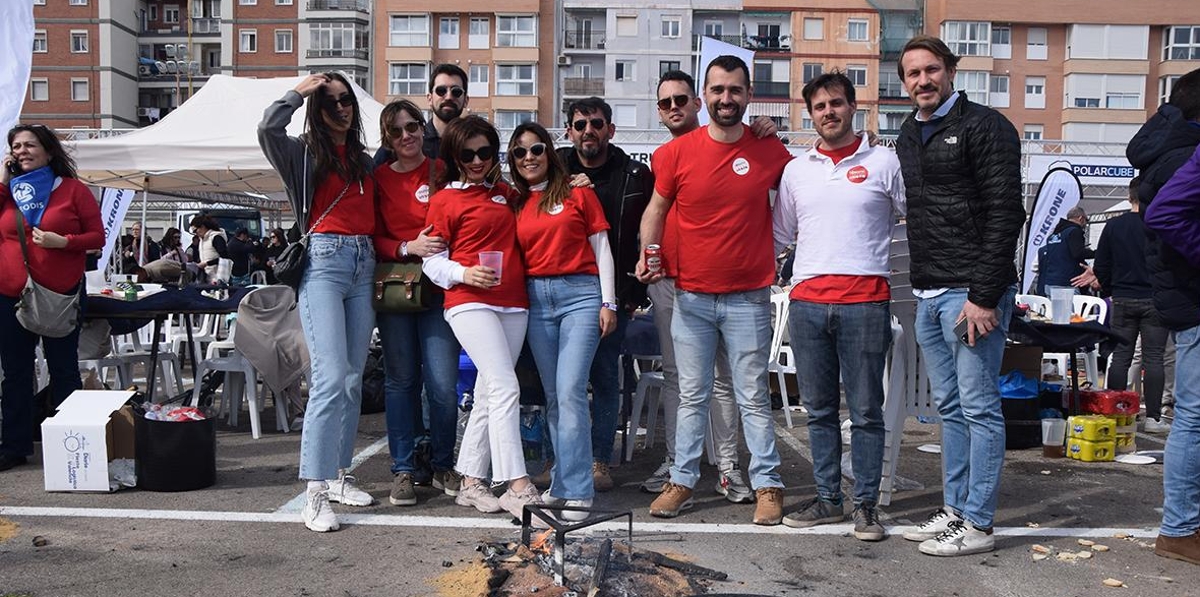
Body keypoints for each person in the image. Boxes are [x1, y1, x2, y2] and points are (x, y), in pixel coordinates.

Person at [635, 55, 791, 525]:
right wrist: (649, 253)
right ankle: (681, 480)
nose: (728, 99)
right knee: (691, 395)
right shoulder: (678, 153)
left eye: (736, 90)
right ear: (707, 96)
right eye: (719, 90)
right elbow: (655, 212)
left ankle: (768, 485)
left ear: (748, 95)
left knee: (752, 397)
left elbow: (804, 197)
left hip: (748, 297)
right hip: (692, 297)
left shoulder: (770, 150)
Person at [893, 35, 1025, 556]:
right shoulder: (908, 132)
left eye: (931, 70)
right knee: (949, 408)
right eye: (912, 74)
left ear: (950, 70)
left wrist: (985, 295)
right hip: (928, 293)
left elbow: (1004, 213)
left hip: (970, 295)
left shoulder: (986, 126)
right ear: (903, 82)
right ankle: (955, 511)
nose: (922, 81)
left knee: (979, 408)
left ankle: (979, 524)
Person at [773, 71, 907, 541]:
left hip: (866, 303)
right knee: (820, 410)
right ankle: (829, 499)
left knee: (867, 411)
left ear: (854, 107)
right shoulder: (796, 169)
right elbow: (783, 236)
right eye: (819, 106)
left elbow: (911, 222)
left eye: (836, 103)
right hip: (808, 305)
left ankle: (866, 507)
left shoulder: (886, 162)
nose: (828, 112)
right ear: (810, 114)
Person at [258, 72, 378, 532]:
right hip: (324, 261)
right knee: (329, 377)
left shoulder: (365, 161)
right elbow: (267, 129)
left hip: (364, 263)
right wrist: (299, 93)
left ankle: (341, 474)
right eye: (331, 104)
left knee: (350, 378)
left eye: (346, 101)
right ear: (317, 109)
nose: (342, 109)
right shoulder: (303, 154)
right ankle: (315, 490)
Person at [421, 116, 544, 520]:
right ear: (454, 156)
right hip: (468, 300)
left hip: (514, 301)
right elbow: (432, 263)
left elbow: (545, 188)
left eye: (484, 152)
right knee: (506, 386)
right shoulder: (443, 199)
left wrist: (576, 182)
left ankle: (470, 480)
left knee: (492, 392)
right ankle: (516, 484)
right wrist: (464, 272)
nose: (476, 161)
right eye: (467, 154)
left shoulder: (506, 193)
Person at [509, 121, 615, 520]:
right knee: (554, 395)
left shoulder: (578, 194)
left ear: (548, 152)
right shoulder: (517, 203)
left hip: (580, 296)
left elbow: (601, 248)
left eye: (536, 149)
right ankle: (564, 483)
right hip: (536, 300)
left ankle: (579, 489)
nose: (529, 157)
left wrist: (610, 303)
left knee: (570, 390)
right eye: (519, 152)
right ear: (513, 161)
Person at [549, 97, 652, 492]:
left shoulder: (635, 174)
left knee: (606, 378)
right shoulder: (553, 167)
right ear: (568, 131)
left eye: (596, 123)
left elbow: (644, 236)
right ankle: (560, 459)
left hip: (614, 295)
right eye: (579, 124)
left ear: (610, 128)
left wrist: (631, 293)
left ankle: (599, 460)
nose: (587, 130)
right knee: (561, 383)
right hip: (561, 293)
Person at [372, 99, 461, 508]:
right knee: (401, 382)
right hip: (396, 289)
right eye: (396, 131)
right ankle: (403, 469)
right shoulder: (378, 179)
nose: (406, 136)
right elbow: (371, 238)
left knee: (442, 384)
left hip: (440, 288)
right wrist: (409, 245)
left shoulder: (443, 171)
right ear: (386, 138)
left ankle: (442, 462)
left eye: (412, 127)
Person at [0, 123, 105, 472]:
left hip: (60, 294)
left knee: (63, 370)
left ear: (48, 151)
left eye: (30, 145)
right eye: (16, 147)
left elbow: (97, 236)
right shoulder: (9, 191)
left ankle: (69, 442)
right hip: (11, 295)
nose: (22, 151)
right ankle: (14, 446)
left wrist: (65, 242)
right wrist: (3, 179)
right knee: (15, 373)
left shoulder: (72, 190)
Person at [1144, 144, 1200, 566]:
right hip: (1187, 304)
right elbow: (1163, 214)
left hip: (1175, 302)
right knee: (1193, 415)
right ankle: (1180, 528)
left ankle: (1183, 526)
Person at [1095, 179, 1170, 433]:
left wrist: (1110, 291)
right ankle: (1153, 418)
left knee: (1121, 357)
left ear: (1130, 197)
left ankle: (1117, 412)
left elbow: (1101, 265)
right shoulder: (1159, 226)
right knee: (1154, 359)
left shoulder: (1113, 226)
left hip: (1123, 298)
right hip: (1154, 299)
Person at [375, 63, 469, 164]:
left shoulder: (474, 142)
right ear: (429, 98)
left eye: (456, 91)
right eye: (441, 91)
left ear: (466, 100)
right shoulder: (408, 141)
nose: (449, 97)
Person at [1035, 206, 1094, 296]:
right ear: (1080, 218)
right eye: (1086, 220)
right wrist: (1098, 253)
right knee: (1071, 310)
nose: (1086, 224)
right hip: (1067, 284)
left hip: (1050, 283)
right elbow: (1078, 253)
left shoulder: (1054, 235)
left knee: (1054, 310)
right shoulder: (1074, 231)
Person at [188, 215, 228, 282]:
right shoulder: (202, 240)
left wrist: (207, 263)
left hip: (218, 277)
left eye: (195, 230)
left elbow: (225, 257)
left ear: (203, 227)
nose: (195, 233)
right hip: (207, 277)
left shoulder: (216, 237)